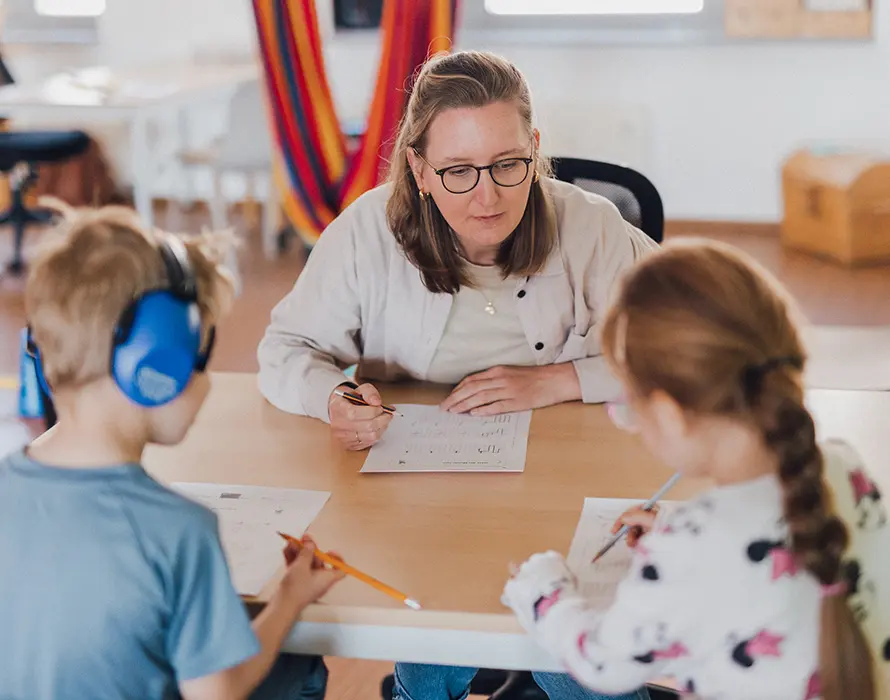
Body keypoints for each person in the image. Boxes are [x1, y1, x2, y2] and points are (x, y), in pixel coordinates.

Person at [257, 50, 655, 700]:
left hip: (567, 483)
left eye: (507, 164)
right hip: (421, 502)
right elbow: (284, 349)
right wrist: (330, 396)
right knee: (432, 644)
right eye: (458, 171)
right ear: (419, 168)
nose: (488, 195)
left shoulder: (587, 225)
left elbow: (682, 345)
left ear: (533, 148)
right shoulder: (365, 233)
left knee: (584, 674)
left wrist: (558, 380)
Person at [502, 239, 890, 700]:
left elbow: (603, 663)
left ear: (668, 413)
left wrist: (542, 587)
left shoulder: (689, 545)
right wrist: (674, 529)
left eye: (628, 406)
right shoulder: (844, 467)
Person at [0, 205, 344, 700]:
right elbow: (216, 692)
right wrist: (289, 597)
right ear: (158, 364)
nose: (206, 382)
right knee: (298, 667)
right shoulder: (176, 531)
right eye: (201, 358)